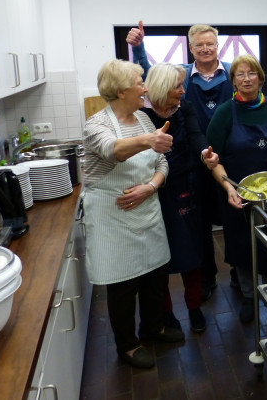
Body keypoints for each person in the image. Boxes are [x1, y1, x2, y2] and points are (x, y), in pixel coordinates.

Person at [82, 59, 184, 369]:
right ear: (122, 90)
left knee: (154, 276)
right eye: (140, 81)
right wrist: (148, 141)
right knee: (123, 282)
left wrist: (150, 187)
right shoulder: (96, 124)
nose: (145, 87)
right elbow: (112, 150)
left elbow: (162, 163)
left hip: (146, 206)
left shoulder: (143, 119)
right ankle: (127, 345)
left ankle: (152, 328)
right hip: (114, 215)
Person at [128, 21, 233, 299]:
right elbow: (154, 79)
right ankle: (207, 277)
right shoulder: (182, 77)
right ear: (191, 48)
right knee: (200, 228)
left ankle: (237, 274)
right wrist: (138, 48)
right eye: (200, 45)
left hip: (224, 157)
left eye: (210, 43)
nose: (206, 48)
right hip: (195, 166)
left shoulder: (233, 72)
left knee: (232, 219)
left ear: (217, 45)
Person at [206, 55, 267, 327]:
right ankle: (248, 297)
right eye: (240, 75)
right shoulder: (224, 112)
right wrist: (226, 186)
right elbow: (213, 159)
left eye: (251, 73)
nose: (246, 79)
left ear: (260, 77)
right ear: (232, 81)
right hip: (237, 194)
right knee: (242, 247)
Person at [141, 63, 220, 334]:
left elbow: (198, 137)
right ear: (163, 88)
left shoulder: (184, 107)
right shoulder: (141, 114)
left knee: (192, 250)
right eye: (178, 86)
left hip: (187, 185)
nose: (183, 90)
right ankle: (166, 313)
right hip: (154, 191)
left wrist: (204, 155)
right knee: (159, 255)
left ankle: (194, 307)